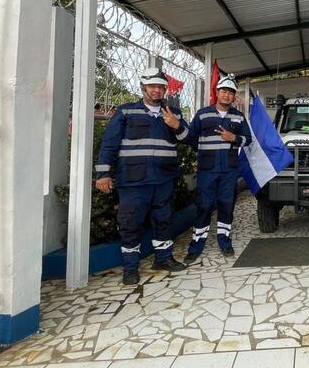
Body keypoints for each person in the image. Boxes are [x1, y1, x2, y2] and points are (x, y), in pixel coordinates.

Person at [95, 67, 190, 286]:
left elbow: (188, 138)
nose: (156, 90)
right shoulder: (126, 111)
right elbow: (109, 143)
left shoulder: (173, 113)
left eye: (160, 87)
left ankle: (163, 259)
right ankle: (130, 268)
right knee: (130, 223)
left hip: (163, 179)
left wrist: (176, 125)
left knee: (163, 220)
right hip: (133, 180)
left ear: (165, 89)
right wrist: (103, 173)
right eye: (152, 86)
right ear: (143, 87)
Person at [184, 74, 252, 261]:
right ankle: (196, 246)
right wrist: (205, 153)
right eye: (224, 91)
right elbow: (191, 138)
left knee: (226, 206)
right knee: (204, 206)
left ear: (234, 96)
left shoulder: (238, 117)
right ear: (217, 92)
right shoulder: (203, 114)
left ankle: (225, 242)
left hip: (229, 170)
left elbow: (248, 140)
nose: (227, 95)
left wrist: (234, 138)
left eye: (230, 92)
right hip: (207, 170)